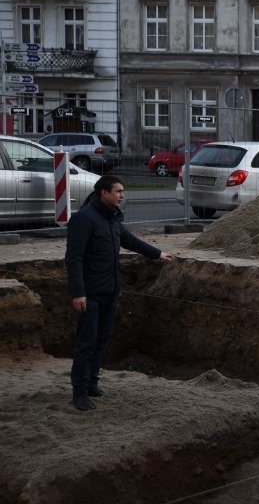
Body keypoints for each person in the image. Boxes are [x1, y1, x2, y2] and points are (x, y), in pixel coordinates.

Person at [65, 175, 173, 411]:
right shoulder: (84, 219)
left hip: (110, 291)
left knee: (101, 341)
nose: (122, 195)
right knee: (86, 343)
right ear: (104, 192)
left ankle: (92, 384)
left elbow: (129, 240)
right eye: (118, 191)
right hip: (90, 294)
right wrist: (78, 293)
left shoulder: (112, 218)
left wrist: (157, 253)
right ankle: (79, 393)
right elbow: (74, 258)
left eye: (123, 191)